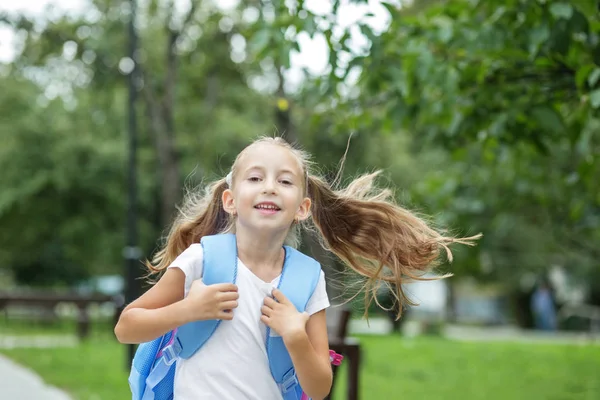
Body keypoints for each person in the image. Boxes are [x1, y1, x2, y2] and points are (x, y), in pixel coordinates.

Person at [114, 136, 480, 399]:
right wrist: (187, 310)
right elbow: (127, 327)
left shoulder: (307, 279)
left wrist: (295, 335)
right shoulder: (201, 259)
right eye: (255, 178)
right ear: (231, 201)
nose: (270, 188)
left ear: (302, 208)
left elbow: (320, 389)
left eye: (285, 181)